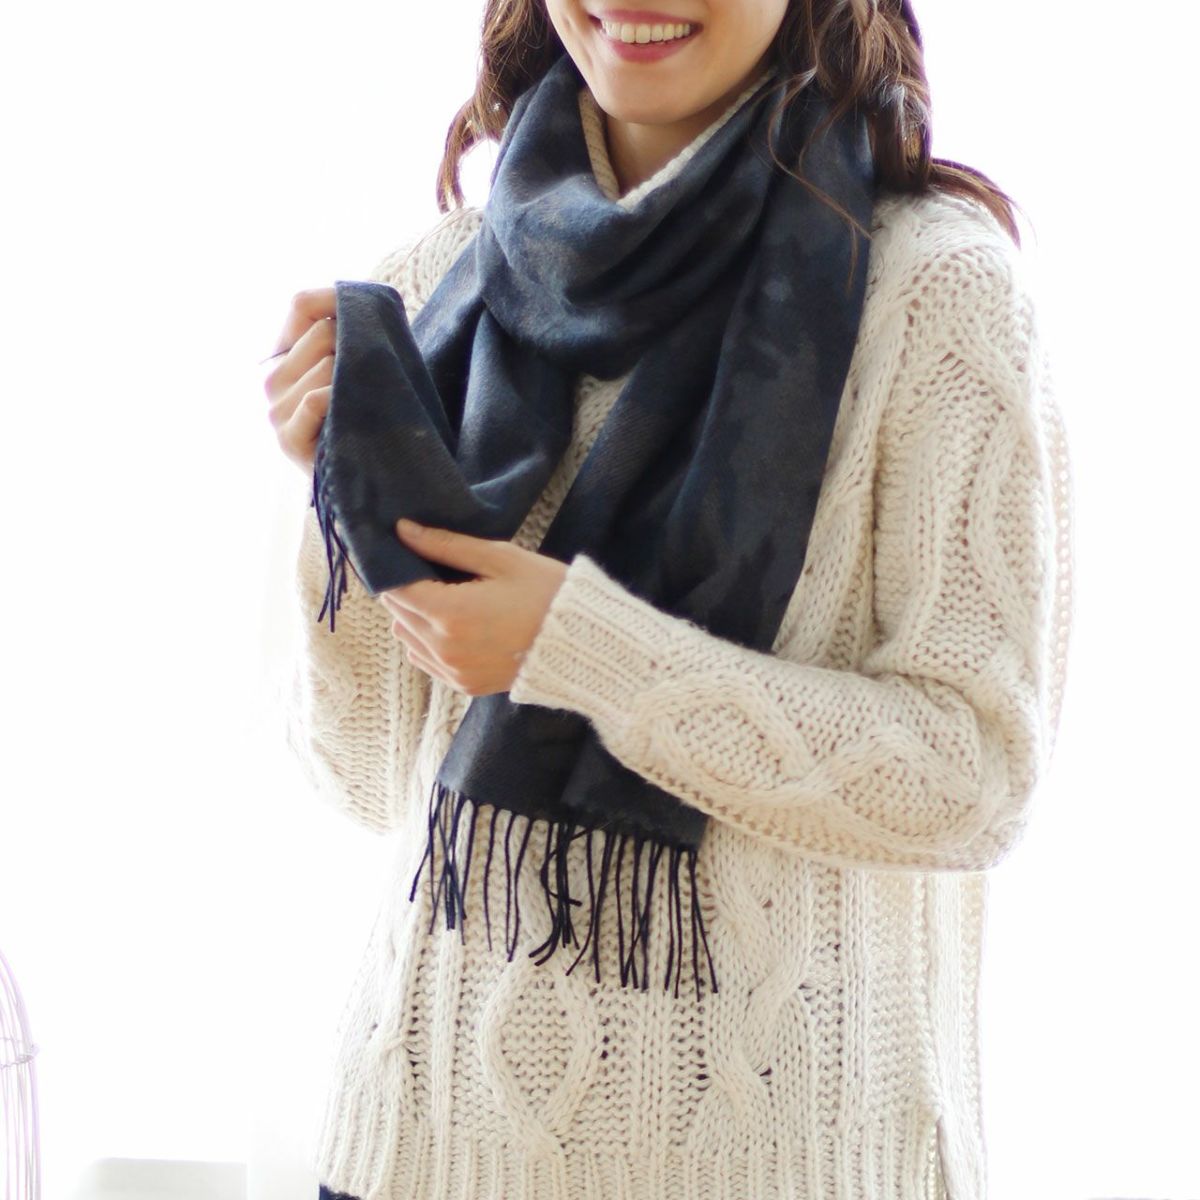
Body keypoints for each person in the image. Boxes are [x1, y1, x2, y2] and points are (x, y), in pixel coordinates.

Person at [264, 0, 1074, 1197]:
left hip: (787, 1166)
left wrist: (581, 651)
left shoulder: (934, 293)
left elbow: (974, 773)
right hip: (421, 1153)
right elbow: (370, 778)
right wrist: (345, 501)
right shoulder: (434, 283)